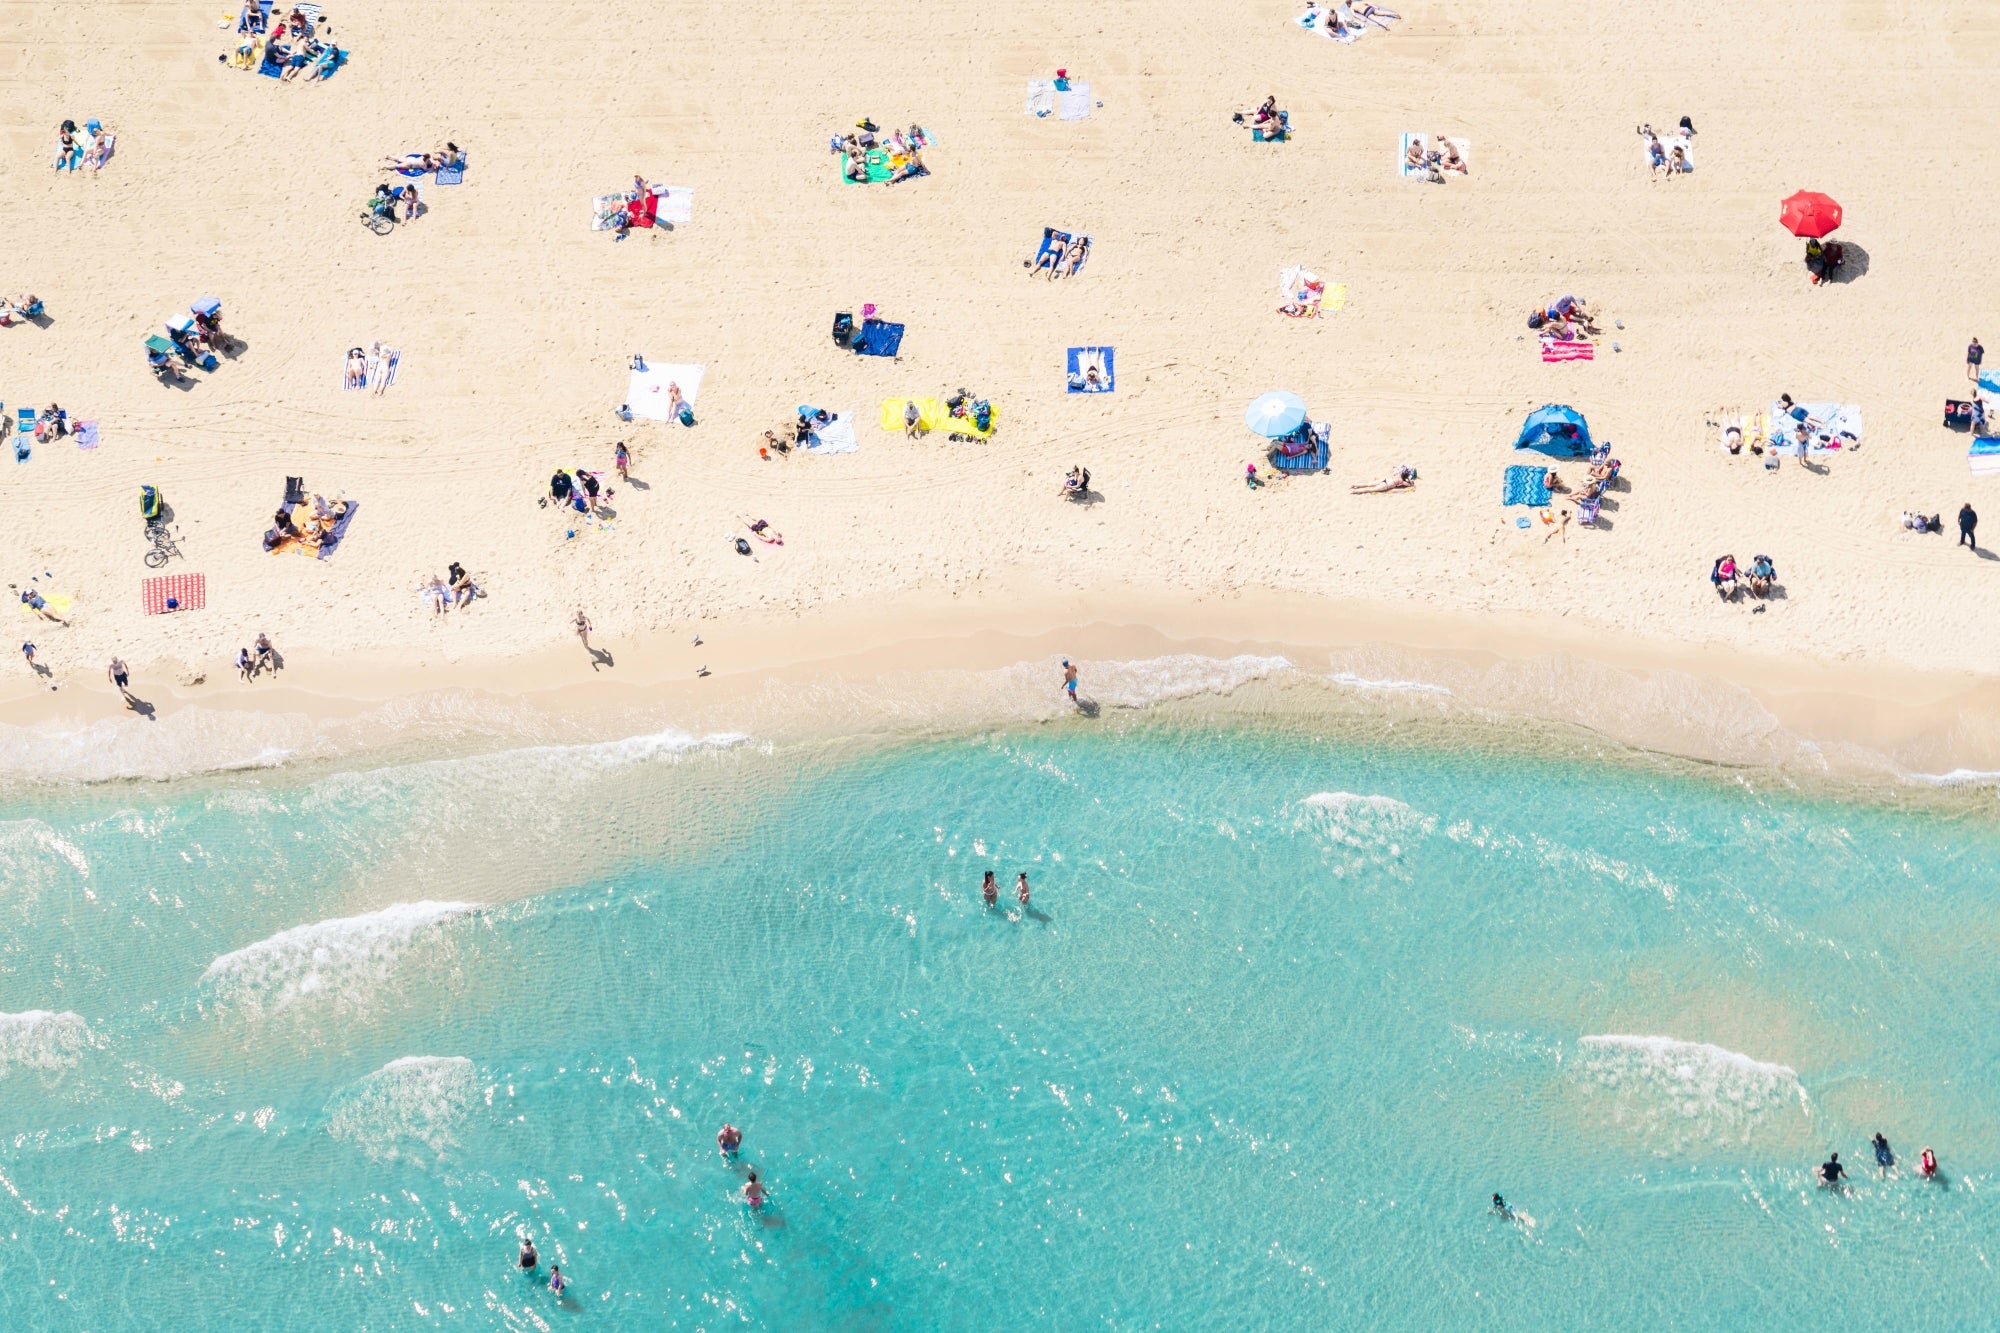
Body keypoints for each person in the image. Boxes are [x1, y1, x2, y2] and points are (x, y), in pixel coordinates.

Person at [1351, 468, 1416, 493]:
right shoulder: (1401, 481)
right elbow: (1410, 485)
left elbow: (1395, 470)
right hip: (1386, 485)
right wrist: (1409, 480)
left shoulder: (1398, 474)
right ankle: (1355, 491)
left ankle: (1354, 485)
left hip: (1384, 479)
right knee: (1370, 489)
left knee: (1367, 484)